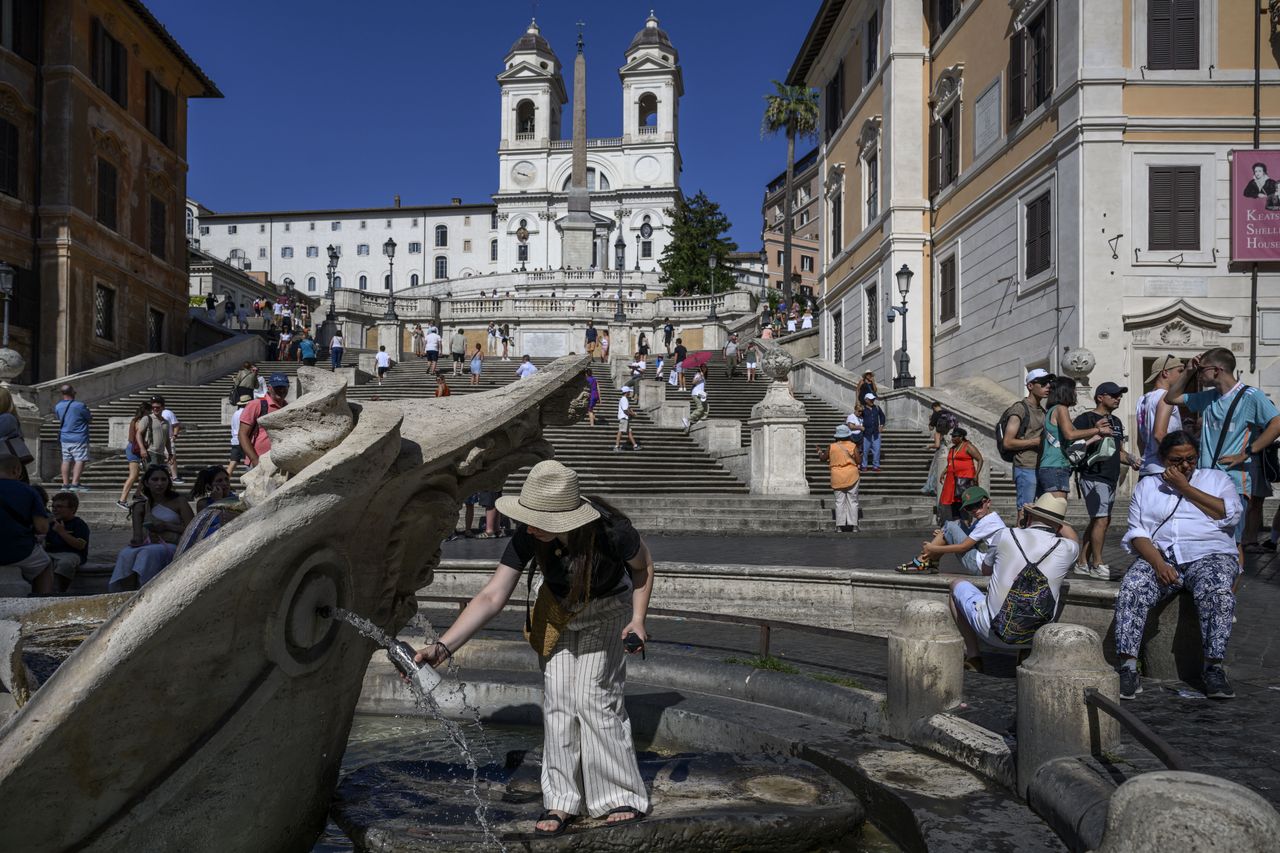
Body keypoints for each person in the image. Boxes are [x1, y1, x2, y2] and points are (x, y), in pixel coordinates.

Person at [411, 461, 653, 834]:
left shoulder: (610, 532)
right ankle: (561, 800)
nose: (528, 525)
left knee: (593, 697)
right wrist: (442, 648)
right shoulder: (529, 533)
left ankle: (619, 794)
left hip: (605, 610)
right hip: (555, 611)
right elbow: (493, 595)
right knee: (558, 699)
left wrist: (638, 620)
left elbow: (644, 567)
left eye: (539, 520)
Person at [1113, 431, 1242, 700]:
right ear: (1162, 459)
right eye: (1176, 460)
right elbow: (1138, 533)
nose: (1185, 466)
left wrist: (1185, 487)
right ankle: (1127, 667)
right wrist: (1158, 564)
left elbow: (1228, 514)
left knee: (1217, 592)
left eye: (1191, 459)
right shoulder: (1147, 487)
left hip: (1210, 554)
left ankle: (1213, 668)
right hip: (1162, 555)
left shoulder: (1216, 479)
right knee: (1132, 587)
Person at [948, 493, 1079, 672]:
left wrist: (1025, 519)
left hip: (991, 630)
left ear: (1030, 516)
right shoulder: (1068, 548)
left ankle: (973, 655)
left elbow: (986, 571)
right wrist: (1057, 519)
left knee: (956, 584)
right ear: (1058, 524)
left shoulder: (1005, 535)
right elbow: (1073, 538)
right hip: (1036, 636)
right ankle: (1026, 652)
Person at [1165, 347, 1280, 549]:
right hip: (1204, 478)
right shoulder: (1209, 397)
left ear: (1216, 370)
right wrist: (1189, 371)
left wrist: (1246, 453)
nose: (1199, 374)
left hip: (1233, 481)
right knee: (1204, 541)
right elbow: (1171, 398)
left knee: (1231, 544)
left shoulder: (1251, 396)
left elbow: (1277, 423)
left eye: (1201, 370)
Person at [1073, 382, 1140, 579]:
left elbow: (1118, 452)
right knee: (1102, 519)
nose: (1118, 398)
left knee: (1099, 520)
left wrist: (1132, 459)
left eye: (1119, 395)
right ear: (1100, 397)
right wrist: (1095, 432)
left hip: (1111, 477)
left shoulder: (1117, 422)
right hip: (1093, 475)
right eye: (1113, 395)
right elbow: (1074, 447)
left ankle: (1082, 563)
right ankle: (1098, 564)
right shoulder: (1085, 419)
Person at [109, 464, 193, 592]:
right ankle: (126, 592)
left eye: (163, 479)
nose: (160, 483)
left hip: (173, 544)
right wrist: (139, 539)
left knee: (147, 554)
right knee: (126, 553)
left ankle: (146, 590)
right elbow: (137, 536)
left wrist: (166, 526)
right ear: (147, 483)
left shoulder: (179, 501)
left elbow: (193, 528)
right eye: (155, 480)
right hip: (149, 543)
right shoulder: (141, 506)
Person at [901, 486, 1007, 576]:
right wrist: (947, 535)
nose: (975, 510)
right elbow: (968, 537)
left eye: (978, 505)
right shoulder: (987, 519)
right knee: (955, 525)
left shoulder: (988, 522)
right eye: (970, 508)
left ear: (988, 502)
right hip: (984, 561)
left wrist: (933, 548)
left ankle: (922, 561)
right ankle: (930, 562)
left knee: (950, 526)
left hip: (980, 566)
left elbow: (963, 547)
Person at [1037, 376, 1112, 499]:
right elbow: (1070, 434)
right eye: (1074, 390)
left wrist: (1094, 434)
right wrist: (1098, 429)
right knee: (1056, 510)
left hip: (1052, 466)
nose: (1075, 393)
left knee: (1052, 510)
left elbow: (1071, 439)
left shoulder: (1052, 410)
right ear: (1066, 391)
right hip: (1056, 467)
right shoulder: (1061, 408)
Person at [1000, 369, 1053, 520]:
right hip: (1025, 467)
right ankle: (1021, 541)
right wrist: (1035, 442)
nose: (1048, 386)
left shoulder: (1043, 411)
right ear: (1030, 386)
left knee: (1043, 512)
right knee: (1024, 511)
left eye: (1049, 383)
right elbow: (1008, 442)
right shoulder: (1019, 408)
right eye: (1043, 383)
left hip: (1041, 466)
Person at [0, 455, 54, 595]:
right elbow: (42, 528)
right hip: (18, 550)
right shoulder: (28, 491)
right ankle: (42, 603)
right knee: (45, 565)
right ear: (16, 470)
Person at [1136, 355, 1185, 478]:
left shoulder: (1142, 399)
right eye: (1179, 371)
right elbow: (1159, 434)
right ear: (1165, 373)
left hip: (1147, 467)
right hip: (1163, 469)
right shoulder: (1166, 397)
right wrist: (1180, 458)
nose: (1182, 375)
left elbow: (1140, 441)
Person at [238, 372, 290, 467]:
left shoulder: (288, 407)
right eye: (277, 387)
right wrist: (255, 460)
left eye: (284, 387)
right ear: (269, 387)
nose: (281, 390)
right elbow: (242, 434)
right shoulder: (256, 404)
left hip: (282, 462)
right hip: (259, 462)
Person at [817, 424, 861, 532]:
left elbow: (823, 458)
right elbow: (859, 461)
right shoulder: (852, 446)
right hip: (852, 475)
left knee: (839, 501)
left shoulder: (832, 446)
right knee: (853, 500)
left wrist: (819, 452)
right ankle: (854, 525)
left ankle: (839, 526)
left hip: (837, 476)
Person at [45, 490, 90, 593]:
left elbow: (80, 545)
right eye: (53, 507)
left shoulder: (79, 524)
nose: (55, 510)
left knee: (65, 564)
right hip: (51, 553)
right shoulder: (51, 523)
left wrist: (62, 532)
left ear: (72, 509)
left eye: (60, 507)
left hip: (71, 554)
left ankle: (61, 591)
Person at [938, 427, 983, 520]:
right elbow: (950, 463)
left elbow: (980, 459)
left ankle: (966, 520)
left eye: (955, 436)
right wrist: (943, 472)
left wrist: (976, 474)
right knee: (954, 500)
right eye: (952, 436)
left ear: (961, 437)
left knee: (964, 499)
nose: (952, 438)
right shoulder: (952, 449)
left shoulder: (967, 446)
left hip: (965, 478)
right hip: (952, 478)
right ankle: (956, 519)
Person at [54, 384, 92, 492]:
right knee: (80, 459)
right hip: (79, 437)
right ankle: (75, 484)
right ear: (72, 392)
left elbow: (59, 418)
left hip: (65, 437)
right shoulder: (80, 406)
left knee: (66, 460)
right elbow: (89, 418)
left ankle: (65, 484)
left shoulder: (58, 406)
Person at [117, 401, 152, 510]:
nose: (150, 413)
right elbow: (138, 435)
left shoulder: (135, 420)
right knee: (133, 475)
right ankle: (122, 500)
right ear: (146, 410)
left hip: (133, 448)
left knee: (146, 473)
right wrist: (144, 446)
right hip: (134, 449)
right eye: (149, 410)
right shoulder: (140, 421)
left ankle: (138, 494)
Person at [860, 393, 885, 471]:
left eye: (873, 399)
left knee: (877, 450)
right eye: (870, 399)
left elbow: (882, 416)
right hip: (866, 433)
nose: (872, 401)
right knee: (865, 450)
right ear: (866, 400)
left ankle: (876, 465)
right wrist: (860, 426)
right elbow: (858, 416)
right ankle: (864, 465)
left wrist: (881, 425)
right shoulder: (862, 408)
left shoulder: (877, 408)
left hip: (876, 433)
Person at [227, 397, 248, 476]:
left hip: (235, 440)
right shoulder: (245, 413)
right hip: (243, 440)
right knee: (250, 462)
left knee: (232, 464)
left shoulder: (236, 413)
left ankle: (226, 480)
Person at [614, 387, 640, 452]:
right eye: (629, 392)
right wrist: (632, 414)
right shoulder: (624, 399)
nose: (630, 393)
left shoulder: (624, 399)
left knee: (629, 432)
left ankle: (635, 445)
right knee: (620, 431)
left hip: (625, 418)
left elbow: (628, 408)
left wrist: (632, 412)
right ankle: (616, 446)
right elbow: (625, 410)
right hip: (624, 418)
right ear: (626, 392)